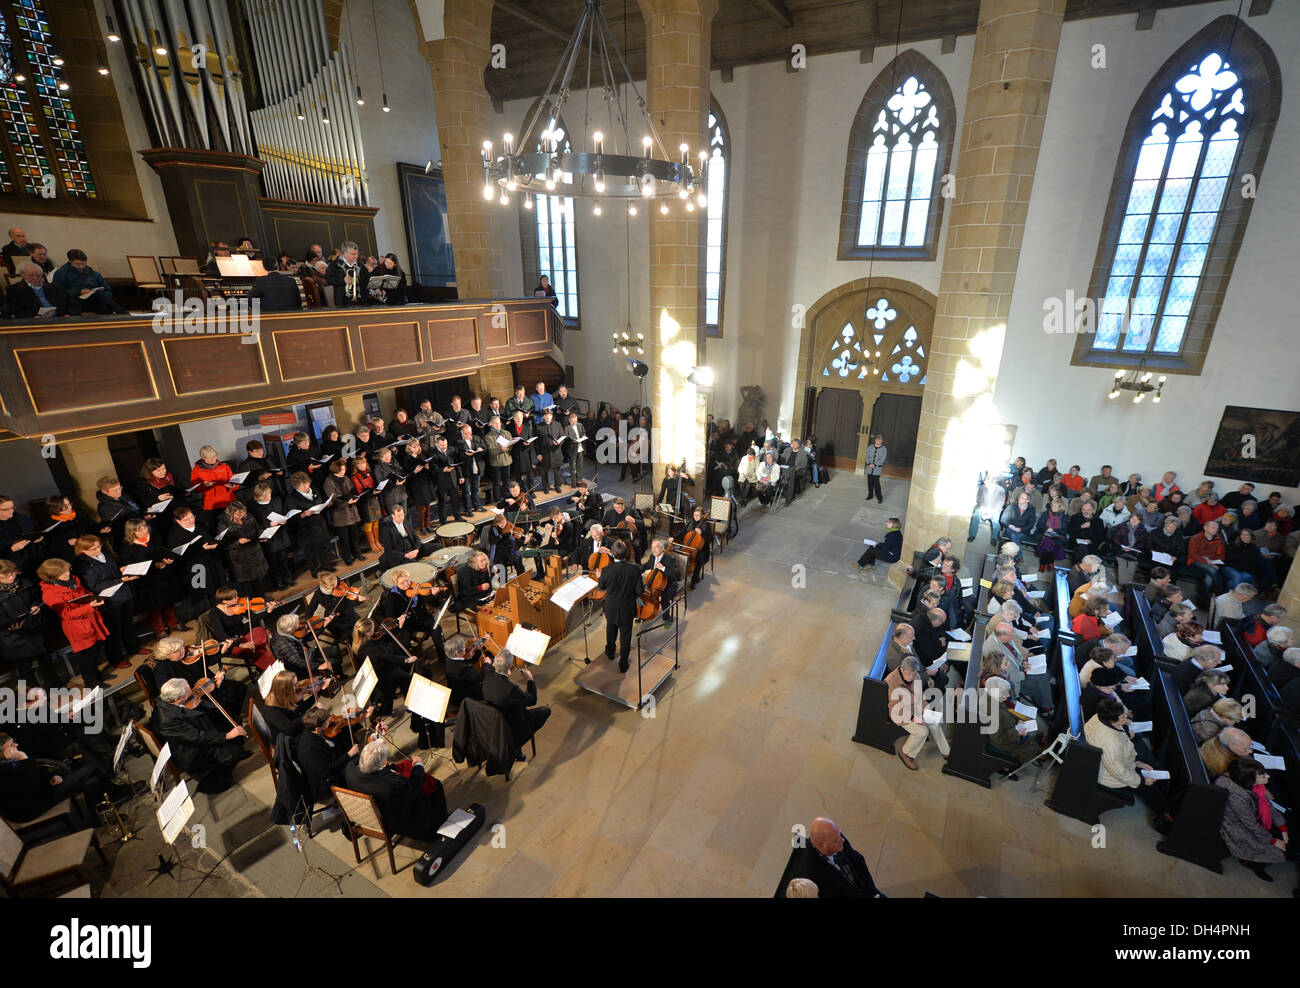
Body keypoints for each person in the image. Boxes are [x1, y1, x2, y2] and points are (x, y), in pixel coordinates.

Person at [0, 732, 123, 823]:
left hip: (39, 794)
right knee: (90, 770)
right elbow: (29, 787)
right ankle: (115, 793)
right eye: (11, 745)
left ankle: (99, 819)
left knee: (91, 781)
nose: (16, 745)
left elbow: (37, 772)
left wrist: (51, 776)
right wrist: (24, 759)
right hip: (28, 808)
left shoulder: (11, 761)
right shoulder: (4, 770)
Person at [1084, 698, 1170, 825]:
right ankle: (1166, 817)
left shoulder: (1099, 716)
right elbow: (1117, 770)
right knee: (1151, 790)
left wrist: (1137, 763)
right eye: (1122, 717)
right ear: (1113, 720)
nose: (1126, 719)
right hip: (1109, 776)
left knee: (1150, 770)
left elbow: (1117, 757)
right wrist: (1141, 780)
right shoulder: (1110, 742)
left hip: (1113, 764)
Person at [156, 676, 249, 793]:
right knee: (233, 751)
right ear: (178, 699)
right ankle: (214, 782)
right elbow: (197, 737)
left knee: (229, 721)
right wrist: (227, 736)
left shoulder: (163, 701)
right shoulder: (168, 721)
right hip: (191, 754)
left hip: (193, 737)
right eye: (189, 694)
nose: (192, 694)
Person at [342, 739, 448, 840]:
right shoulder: (390, 785)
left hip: (367, 813)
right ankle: (438, 825)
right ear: (383, 763)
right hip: (393, 819)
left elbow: (365, 757)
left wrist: (375, 738)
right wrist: (418, 765)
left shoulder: (350, 769)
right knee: (434, 785)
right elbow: (413, 787)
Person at [1215, 756, 1289, 880]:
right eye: (1263, 775)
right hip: (1236, 827)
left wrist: (1283, 827)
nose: (1268, 776)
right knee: (1278, 850)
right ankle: (1253, 864)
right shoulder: (1237, 795)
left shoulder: (1250, 783)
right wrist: (1273, 841)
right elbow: (1250, 824)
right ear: (1251, 780)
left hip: (1248, 820)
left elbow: (1268, 806)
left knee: (1286, 837)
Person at [773, 817, 883, 898]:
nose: (842, 840)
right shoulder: (811, 876)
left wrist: (872, 891)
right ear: (822, 845)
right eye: (836, 839)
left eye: (840, 834)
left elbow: (858, 860)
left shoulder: (836, 837)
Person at [481, 648, 551, 757]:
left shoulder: (487, 674)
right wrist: (530, 679)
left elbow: (486, 666)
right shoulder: (511, 689)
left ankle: (517, 752)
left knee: (517, 705)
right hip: (511, 726)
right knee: (545, 711)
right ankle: (515, 747)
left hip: (492, 723)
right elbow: (532, 700)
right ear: (509, 667)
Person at [886, 656, 949, 770]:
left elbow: (920, 697)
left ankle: (946, 751)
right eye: (910, 674)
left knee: (933, 722)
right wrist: (913, 718)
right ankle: (906, 753)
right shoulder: (892, 680)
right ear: (903, 670)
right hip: (900, 713)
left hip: (915, 707)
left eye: (915, 673)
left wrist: (925, 710)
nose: (913, 677)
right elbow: (896, 707)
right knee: (922, 731)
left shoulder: (916, 675)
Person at [296, 707, 361, 807]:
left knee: (345, 739)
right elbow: (325, 771)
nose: (329, 721)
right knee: (357, 768)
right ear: (317, 729)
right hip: (324, 782)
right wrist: (349, 755)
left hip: (327, 762)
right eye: (326, 722)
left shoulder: (311, 731)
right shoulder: (310, 748)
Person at [598, 540, 641, 673]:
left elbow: (601, 587)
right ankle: (623, 664)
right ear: (626, 554)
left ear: (613, 554)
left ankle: (610, 652)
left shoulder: (606, 570)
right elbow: (639, 591)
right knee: (625, 636)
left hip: (611, 607)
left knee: (611, 631)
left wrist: (600, 577)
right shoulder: (634, 570)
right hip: (627, 608)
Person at [5, 261, 79, 317]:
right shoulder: (14, 290)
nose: (35, 278)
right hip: (34, 323)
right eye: (31, 276)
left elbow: (73, 304)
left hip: (60, 320)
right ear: (23, 275)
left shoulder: (55, 288)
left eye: (38, 276)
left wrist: (69, 314)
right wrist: (32, 316)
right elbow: (15, 310)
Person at [326, 240, 368, 306]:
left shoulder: (361, 266)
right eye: (353, 254)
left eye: (357, 253)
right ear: (345, 253)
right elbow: (328, 280)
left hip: (361, 301)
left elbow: (366, 282)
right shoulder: (334, 265)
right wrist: (343, 280)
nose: (356, 256)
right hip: (343, 301)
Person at [968, 470, 1006, 544]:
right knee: (975, 516)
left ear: (992, 481)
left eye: (986, 481)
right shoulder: (982, 487)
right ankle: (972, 535)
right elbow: (978, 499)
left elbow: (1000, 504)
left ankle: (994, 538)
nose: (985, 483)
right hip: (982, 507)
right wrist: (982, 508)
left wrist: (991, 513)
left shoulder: (1001, 490)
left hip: (994, 510)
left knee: (996, 522)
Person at [863, 435, 886, 503]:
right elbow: (867, 455)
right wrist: (869, 463)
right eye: (876, 439)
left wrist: (875, 464)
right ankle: (870, 495)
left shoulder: (884, 449)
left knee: (876, 483)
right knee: (870, 482)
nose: (877, 441)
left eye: (879, 440)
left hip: (877, 469)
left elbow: (883, 459)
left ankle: (879, 497)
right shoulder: (870, 447)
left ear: (882, 441)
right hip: (869, 468)